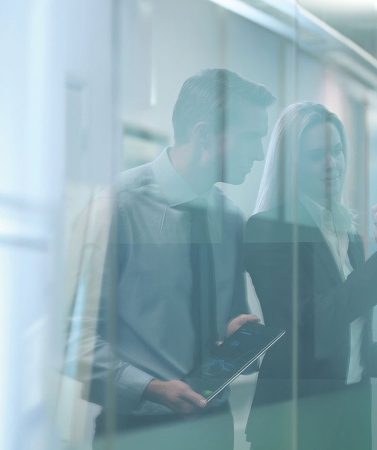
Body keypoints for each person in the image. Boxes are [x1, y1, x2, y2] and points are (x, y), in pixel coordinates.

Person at [65, 68, 276, 450]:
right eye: (250, 138)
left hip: (214, 426)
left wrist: (232, 336)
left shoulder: (230, 219)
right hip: (138, 433)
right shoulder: (116, 208)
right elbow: (67, 337)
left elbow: (226, 318)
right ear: (203, 135)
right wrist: (150, 388)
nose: (260, 154)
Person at [244, 101, 377, 450]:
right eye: (315, 156)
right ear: (291, 164)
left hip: (350, 409)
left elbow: (347, 338)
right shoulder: (268, 229)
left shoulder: (346, 231)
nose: (331, 164)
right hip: (295, 418)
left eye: (337, 151)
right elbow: (312, 322)